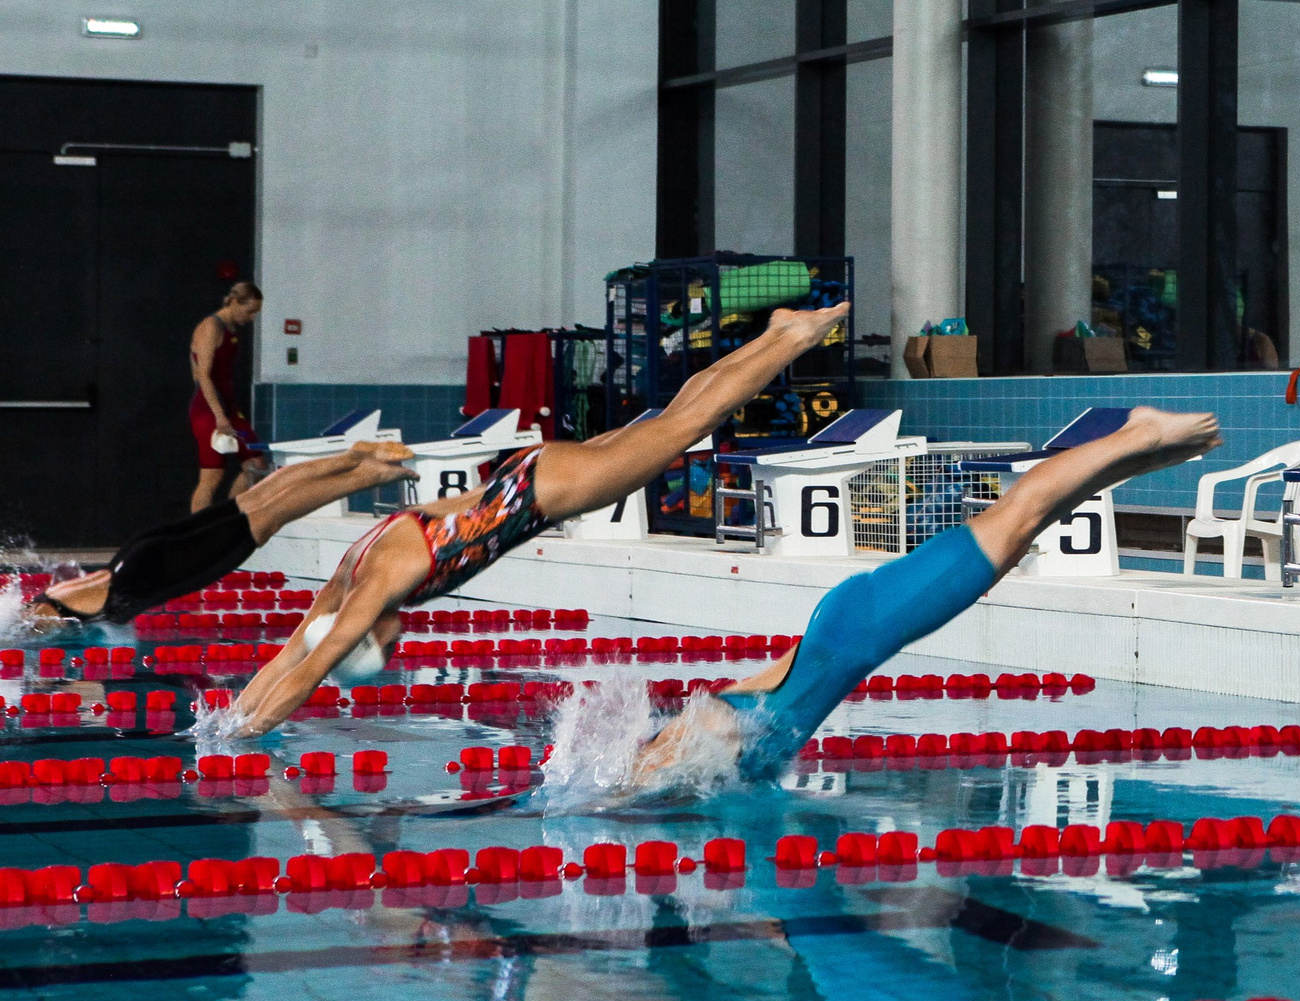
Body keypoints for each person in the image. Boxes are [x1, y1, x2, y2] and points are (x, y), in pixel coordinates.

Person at [225, 304, 857, 736]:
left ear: (366, 636)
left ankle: (793, 338)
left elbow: (310, 669)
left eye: (384, 648)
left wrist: (249, 737)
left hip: (545, 493)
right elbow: (289, 654)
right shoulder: (351, 572)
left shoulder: (372, 592)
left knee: (689, 424)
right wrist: (229, 718)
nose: (397, 643)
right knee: (674, 419)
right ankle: (775, 333)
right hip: (527, 473)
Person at [629, 406, 1224, 784]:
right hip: (854, 629)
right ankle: (1133, 456)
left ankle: (1138, 432)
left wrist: (625, 790)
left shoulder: (699, 732)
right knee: (1021, 531)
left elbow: (683, 742)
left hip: (860, 627)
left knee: (1017, 515)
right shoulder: (717, 737)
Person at [20, 442, 420, 634]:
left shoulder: (41, 620)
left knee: (269, 516)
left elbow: (48, 642)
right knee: (255, 500)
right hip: (134, 555)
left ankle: (370, 475)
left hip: (152, 571)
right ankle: (350, 458)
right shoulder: (48, 597)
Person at [191, 281, 267, 512]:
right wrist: (219, 416)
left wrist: (227, 412)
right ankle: (197, 529)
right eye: (249, 311)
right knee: (212, 475)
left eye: (256, 313)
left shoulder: (231, 328)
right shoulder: (211, 326)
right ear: (234, 302)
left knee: (256, 465)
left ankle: (227, 516)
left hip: (229, 408)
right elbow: (203, 375)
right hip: (208, 409)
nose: (252, 318)